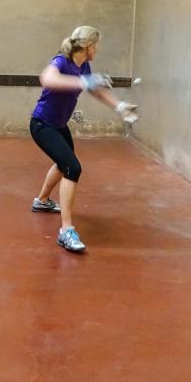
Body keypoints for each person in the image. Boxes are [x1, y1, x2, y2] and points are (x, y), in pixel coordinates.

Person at [29, 26, 138, 252]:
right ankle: (66, 231)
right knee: (72, 167)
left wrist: (120, 106)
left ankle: (42, 201)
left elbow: (95, 90)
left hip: (59, 125)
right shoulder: (61, 61)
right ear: (88, 46)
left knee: (64, 164)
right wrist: (82, 82)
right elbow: (47, 79)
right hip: (42, 125)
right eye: (96, 46)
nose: (97, 50)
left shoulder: (84, 66)